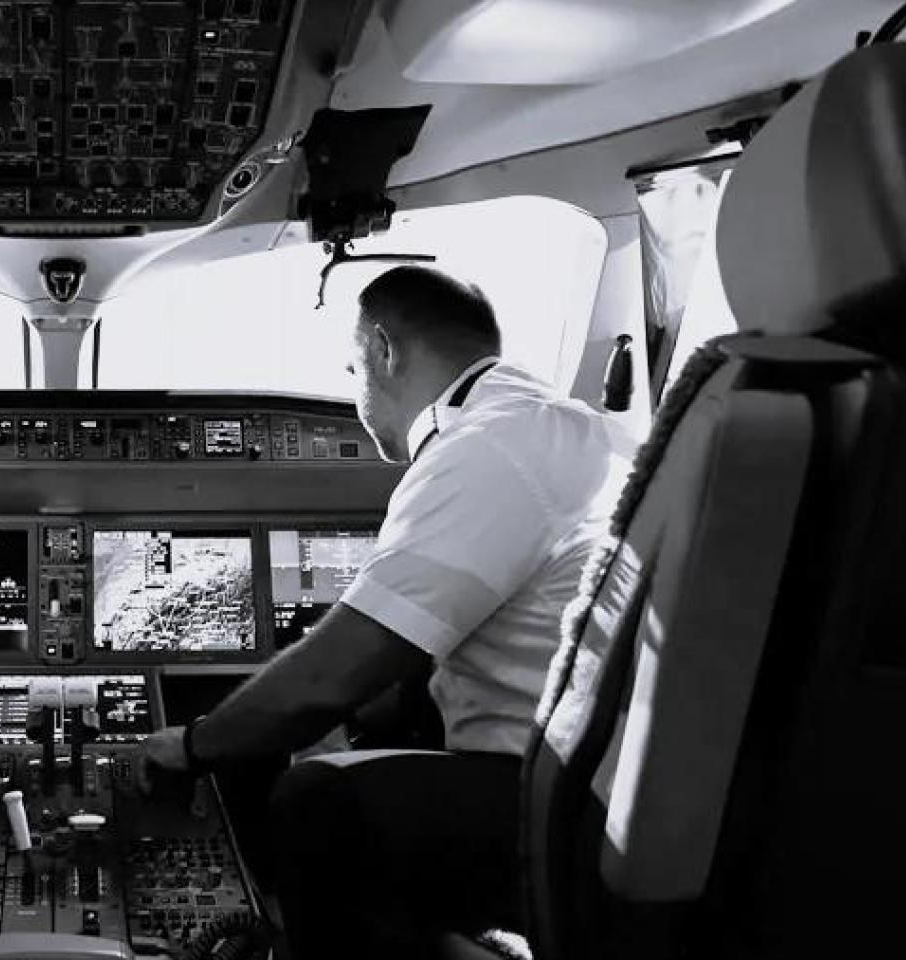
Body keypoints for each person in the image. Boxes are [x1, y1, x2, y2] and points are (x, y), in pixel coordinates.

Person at [138, 266, 630, 959]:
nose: (359, 396)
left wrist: (191, 744)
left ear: (383, 350)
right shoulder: (555, 427)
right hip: (604, 780)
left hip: (566, 803)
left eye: (354, 369)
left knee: (317, 801)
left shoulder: (486, 445)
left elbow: (327, 680)